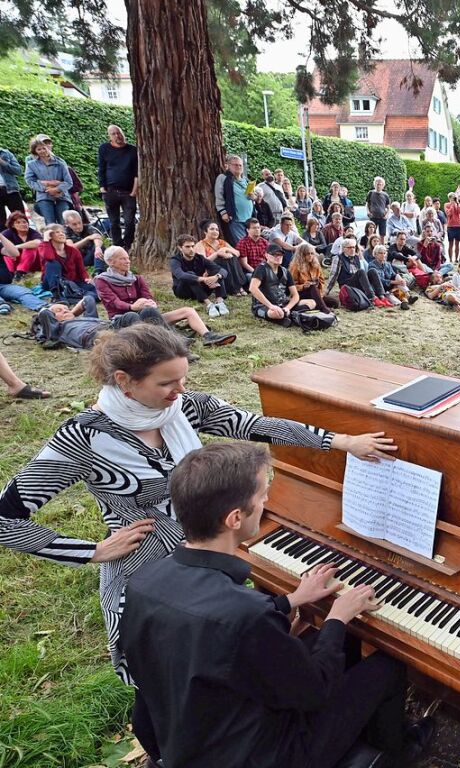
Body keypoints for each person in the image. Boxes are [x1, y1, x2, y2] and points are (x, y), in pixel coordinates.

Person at [0, 323, 397, 679]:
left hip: (211, 560)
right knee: (173, 674)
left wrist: (341, 442)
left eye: (184, 378)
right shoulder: (81, 439)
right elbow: (5, 520)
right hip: (147, 575)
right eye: (166, 382)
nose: (181, 390)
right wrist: (91, 551)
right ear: (125, 381)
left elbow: (256, 425)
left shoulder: (182, 408)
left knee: (227, 660)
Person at [121, 441, 433, 767]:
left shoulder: (145, 582)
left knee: (332, 645)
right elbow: (314, 690)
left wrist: (291, 600)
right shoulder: (247, 616)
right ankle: (398, 754)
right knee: (387, 666)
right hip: (265, 756)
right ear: (235, 518)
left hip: (188, 738)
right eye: (262, 496)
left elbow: (209, 630)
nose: (269, 500)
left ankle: (356, 730)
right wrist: (337, 618)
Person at [95, 246, 235, 345]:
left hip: (147, 316)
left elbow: (148, 296)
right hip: (124, 320)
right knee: (135, 315)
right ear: (110, 262)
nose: (128, 261)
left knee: (188, 311)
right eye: (122, 259)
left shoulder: (137, 278)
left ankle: (208, 336)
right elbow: (113, 302)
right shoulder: (102, 280)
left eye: (127, 258)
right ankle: (174, 339)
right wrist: (132, 306)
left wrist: (150, 303)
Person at [96, 125, 138, 250]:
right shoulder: (104, 149)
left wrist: (134, 191)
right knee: (114, 222)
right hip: (111, 190)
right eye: (113, 134)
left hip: (128, 191)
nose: (117, 136)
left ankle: (128, 245)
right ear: (109, 136)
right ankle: (117, 245)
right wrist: (102, 187)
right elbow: (101, 168)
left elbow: (137, 172)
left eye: (119, 133)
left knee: (129, 221)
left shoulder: (132, 150)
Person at [250, 246, 318, 324]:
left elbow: (295, 295)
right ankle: (288, 317)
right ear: (267, 255)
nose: (278, 257)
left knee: (312, 303)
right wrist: (271, 306)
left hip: (283, 303)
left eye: (280, 255)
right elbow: (253, 288)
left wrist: (287, 308)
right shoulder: (261, 268)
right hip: (263, 305)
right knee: (275, 313)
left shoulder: (285, 271)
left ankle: (287, 316)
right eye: (275, 255)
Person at [170, 234, 229, 317]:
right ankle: (209, 304)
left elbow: (222, 270)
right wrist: (204, 279)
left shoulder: (200, 258)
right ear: (180, 248)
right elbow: (181, 275)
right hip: (183, 291)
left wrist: (217, 277)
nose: (191, 249)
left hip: (200, 289)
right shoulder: (175, 260)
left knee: (217, 272)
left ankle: (220, 301)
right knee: (190, 275)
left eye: (193, 246)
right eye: (187, 247)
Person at [38, 223, 96, 301]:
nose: (61, 234)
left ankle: (73, 296)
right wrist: (46, 239)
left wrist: (86, 279)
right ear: (50, 236)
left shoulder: (73, 250)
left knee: (94, 290)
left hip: (71, 282)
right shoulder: (43, 247)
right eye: (57, 232)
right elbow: (49, 257)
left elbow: (81, 269)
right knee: (52, 264)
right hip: (51, 283)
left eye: (62, 232)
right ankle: (57, 296)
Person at [328, 238, 391, 307]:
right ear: (344, 249)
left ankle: (382, 297)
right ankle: (373, 298)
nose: (352, 249)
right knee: (361, 271)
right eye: (349, 247)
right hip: (346, 285)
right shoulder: (338, 258)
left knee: (372, 271)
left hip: (357, 283)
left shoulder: (356, 258)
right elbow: (333, 275)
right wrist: (327, 291)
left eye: (354, 247)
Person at [24, 135, 72, 224]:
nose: (42, 151)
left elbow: (69, 182)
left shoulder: (60, 162)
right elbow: (29, 181)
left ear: (48, 148)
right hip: (43, 197)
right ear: (35, 151)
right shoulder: (31, 164)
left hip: (62, 196)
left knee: (63, 221)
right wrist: (46, 188)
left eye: (44, 148)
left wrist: (57, 189)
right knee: (50, 222)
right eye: (39, 149)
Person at [196, 219, 248, 296]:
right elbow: (203, 261)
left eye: (217, 229)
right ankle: (236, 288)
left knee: (232, 257)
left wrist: (225, 249)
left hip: (227, 269)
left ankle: (238, 287)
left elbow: (237, 253)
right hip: (210, 271)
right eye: (212, 229)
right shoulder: (200, 244)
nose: (215, 231)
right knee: (223, 259)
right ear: (205, 232)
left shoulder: (221, 242)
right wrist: (217, 254)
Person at [0, 232, 47, 311]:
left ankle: (43, 308)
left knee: (23, 293)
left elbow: (15, 253)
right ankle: (2, 304)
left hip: (4, 285)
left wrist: (1, 236)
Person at [289, 242, 339, 313]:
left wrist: (319, 289)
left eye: (312, 253)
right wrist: (303, 286)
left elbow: (322, 281)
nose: (310, 256)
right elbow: (291, 286)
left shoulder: (316, 265)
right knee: (312, 287)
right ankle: (323, 308)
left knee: (335, 303)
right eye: (307, 254)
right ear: (302, 255)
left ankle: (318, 304)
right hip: (301, 294)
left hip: (315, 293)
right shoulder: (296, 267)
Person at [218, 155, 255, 244]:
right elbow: (219, 195)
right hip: (235, 218)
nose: (238, 167)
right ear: (228, 165)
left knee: (250, 243)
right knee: (242, 244)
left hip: (249, 219)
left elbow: (252, 197)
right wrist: (223, 212)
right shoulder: (223, 178)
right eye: (235, 165)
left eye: (240, 165)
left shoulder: (246, 180)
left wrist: (253, 197)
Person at [368, 243, 413, 309]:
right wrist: (395, 282)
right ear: (375, 254)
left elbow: (393, 275)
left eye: (384, 253)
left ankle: (408, 296)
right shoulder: (372, 265)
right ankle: (401, 304)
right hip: (379, 288)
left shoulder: (387, 264)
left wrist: (400, 281)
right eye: (380, 253)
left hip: (390, 286)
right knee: (391, 296)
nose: (383, 255)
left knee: (397, 276)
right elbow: (380, 280)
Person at [3, 211, 43, 279]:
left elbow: (38, 243)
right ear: (13, 225)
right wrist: (10, 251)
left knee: (30, 248)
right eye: (18, 222)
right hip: (16, 261)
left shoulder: (33, 232)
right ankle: (11, 274)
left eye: (24, 222)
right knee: (6, 254)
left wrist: (16, 247)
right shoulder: (7, 233)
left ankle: (20, 273)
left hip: (34, 263)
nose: (23, 224)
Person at [0, 146, 25, 219]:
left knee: (20, 217)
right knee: (1, 223)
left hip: (11, 190)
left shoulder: (6, 153)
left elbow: (18, 171)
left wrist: (2, 162)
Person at [445, 189, 460, 262]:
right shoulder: (446, 205)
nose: (453, 199)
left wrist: (457, 203)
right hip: (450, 226)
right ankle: (450, 259)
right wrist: (452, 205)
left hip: (458, 226)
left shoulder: (458, 204)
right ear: (449, 198)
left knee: (457, 244)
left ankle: (456, 259)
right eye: (452, 198)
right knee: (450, 244)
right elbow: (449, 214)